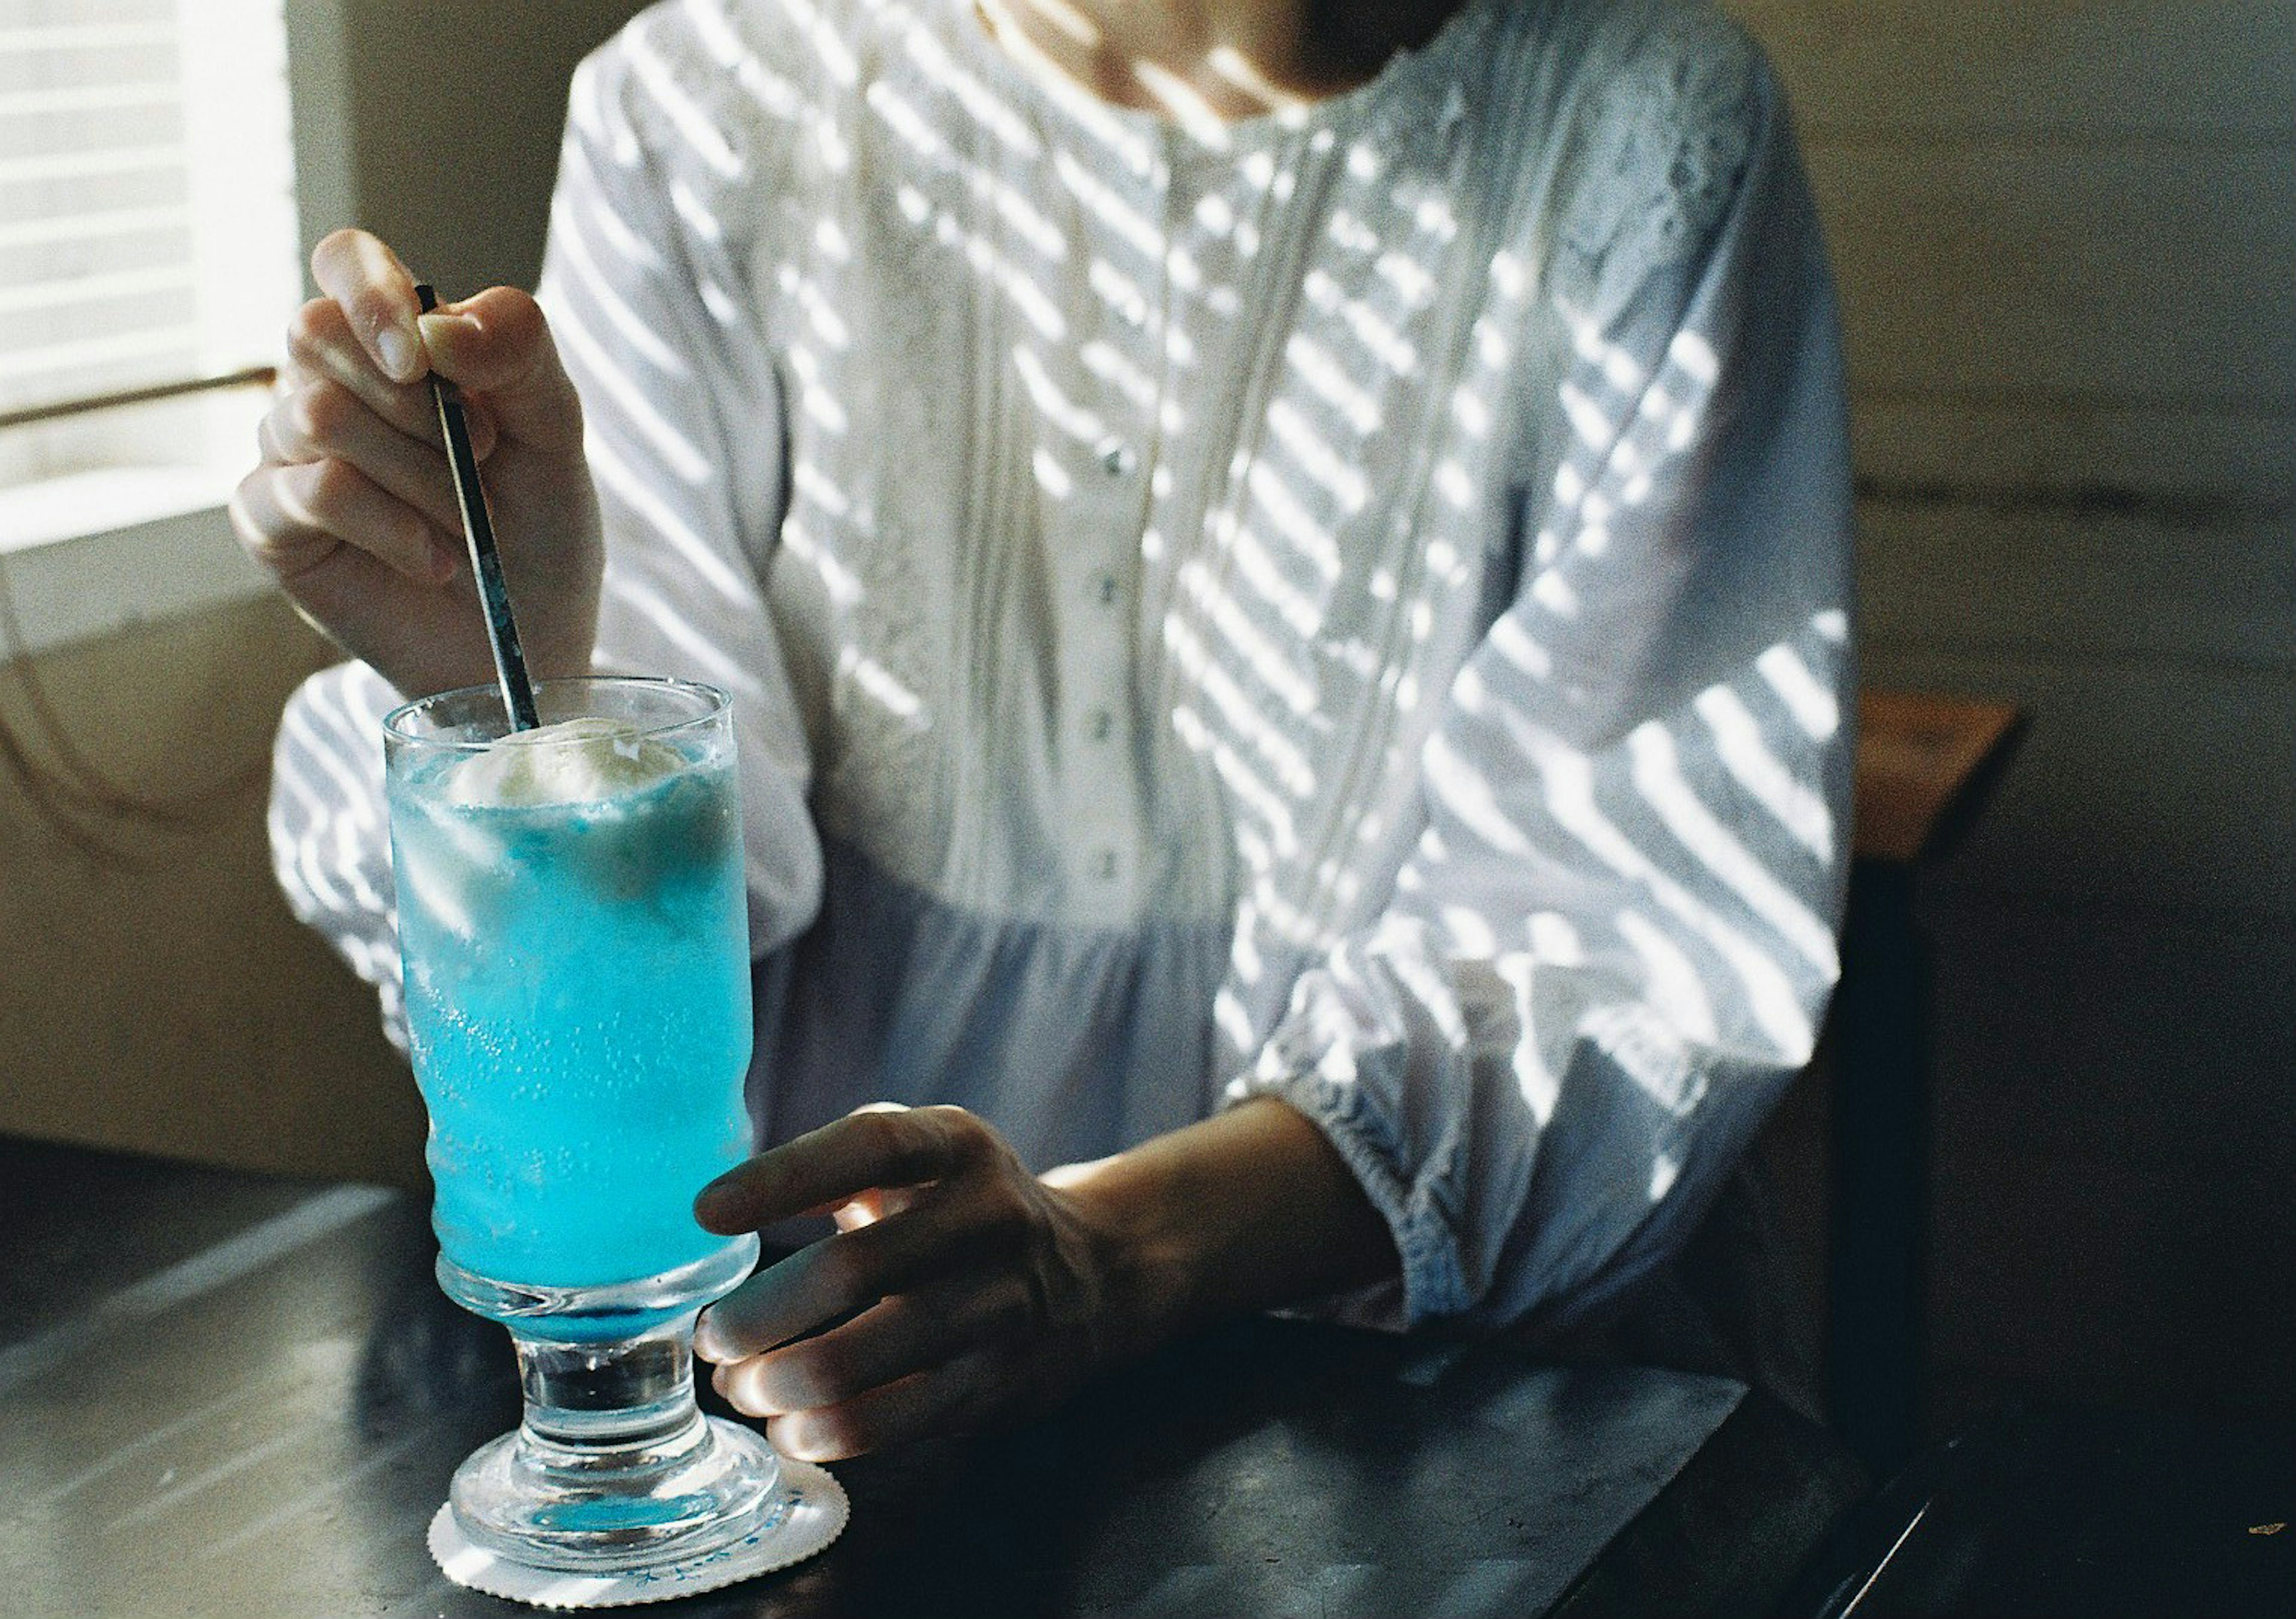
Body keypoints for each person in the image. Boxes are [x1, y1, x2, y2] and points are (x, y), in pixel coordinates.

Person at [239, 0, 1854, 1464]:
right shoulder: (715, 103)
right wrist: (530, 690)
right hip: (831, 1393)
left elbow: (1616, 929)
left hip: (1421, 1395)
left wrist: (1117, 1253)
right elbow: (681, 912)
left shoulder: (1639, 133)